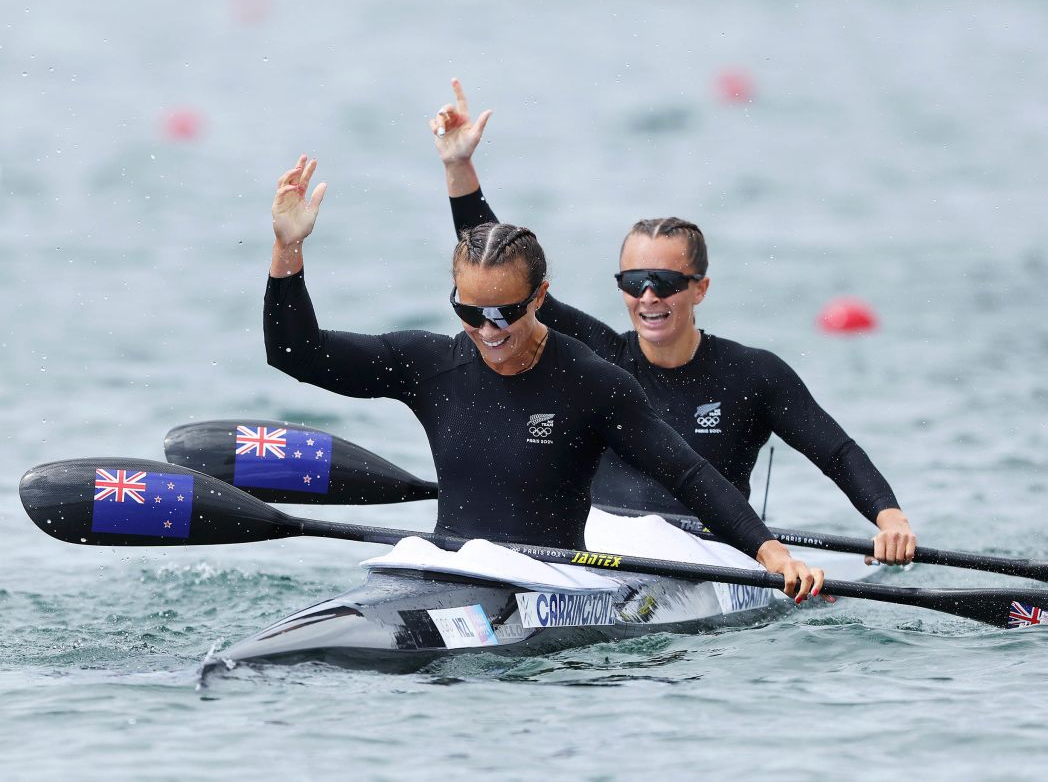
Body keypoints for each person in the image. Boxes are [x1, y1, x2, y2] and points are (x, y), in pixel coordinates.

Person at [264, 154, 826, 601]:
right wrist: (287, 249)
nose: (488, 330)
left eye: (506, 312)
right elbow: (296, 353)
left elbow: (689, 476)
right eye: (469, 313)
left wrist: (771, 554)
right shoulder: (428, 364)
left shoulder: (590, 382)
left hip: (551, 587)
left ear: (539, 297)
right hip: (445, 572)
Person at [429, 80, 918, 566]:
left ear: (700, 288)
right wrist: (458, 165)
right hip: (604, 554)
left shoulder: (753, 375)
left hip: (711, 559)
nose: (648, 296)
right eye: (634, 280)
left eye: (664, 281)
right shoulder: (599, 361)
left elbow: (836, 452)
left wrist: (888, 517)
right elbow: (499, 273)